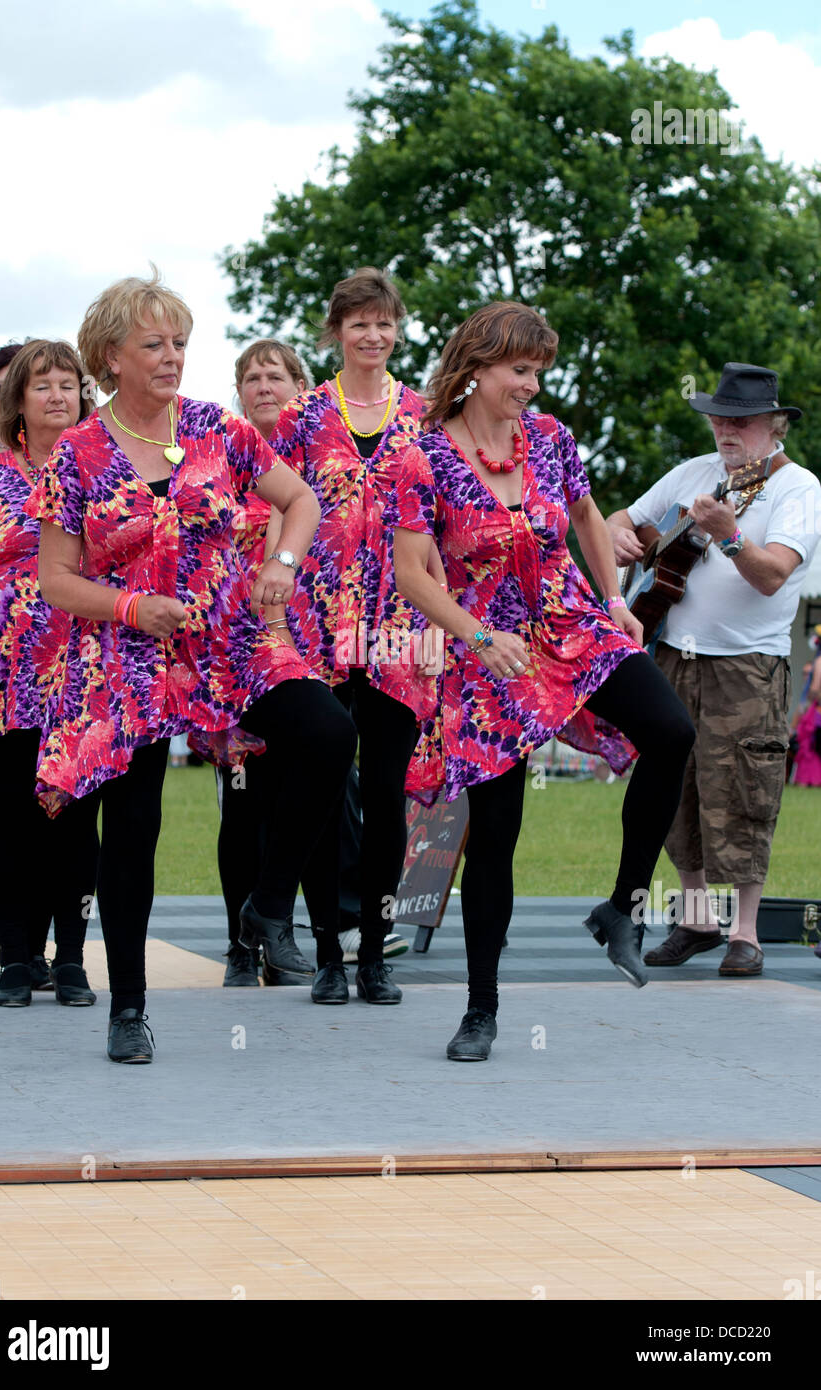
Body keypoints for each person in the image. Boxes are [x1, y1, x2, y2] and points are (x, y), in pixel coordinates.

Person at [30, 271, 356, 1063]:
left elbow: (304, 500)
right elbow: (55, 578)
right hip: (126, 651)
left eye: (179, 342)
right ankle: (129, 1010)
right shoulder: (76, 453)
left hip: (228, 639)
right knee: (134, 827)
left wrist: (281, 560)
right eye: (154, 344)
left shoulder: (220, 429)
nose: (172, 356)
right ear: (112, 356)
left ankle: (267, 906)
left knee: (326, 729)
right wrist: (135, 609)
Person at [393, 301, 696, 1060]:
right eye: (519, 371)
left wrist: (612, 602)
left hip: (572, 626)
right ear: (477, 367)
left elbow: (588, 517)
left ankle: (622, 909)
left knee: (671, 732)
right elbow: (408, 573)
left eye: (537, 372)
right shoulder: (424, 457)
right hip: (491, 652)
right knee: (494, 839)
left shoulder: (551, 439)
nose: (531, 385)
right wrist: (473, 635)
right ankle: (480, 1009)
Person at [607, 362, 821, 977]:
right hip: (675, 651)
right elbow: (621, 520)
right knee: (678, 791)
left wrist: (729, 537)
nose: (727, 430)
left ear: (774, 426)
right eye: (720, 418)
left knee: (746, 791)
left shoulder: (796, 486)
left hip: (749, 663)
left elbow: (773, 573)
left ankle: (745, 934)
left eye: (742, 421)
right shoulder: (692, 472)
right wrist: (622, 538)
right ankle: (698, 918)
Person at [269, 268, 441, 1006]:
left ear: (398, 330)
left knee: (386, 798)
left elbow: (444, 520)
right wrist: (270, 606)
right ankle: (325, 955)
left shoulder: (426, 415)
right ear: (335, 331)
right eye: (358, 323)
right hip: (317, 625)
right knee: (318, 790)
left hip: (402, 628)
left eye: (385, 323)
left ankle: (373, 953)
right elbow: (273, 512)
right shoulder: (302, 416)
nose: (373, 336)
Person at [220, 338, 408, 986]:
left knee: (334, 788)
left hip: (329, 638)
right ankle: (246, 944)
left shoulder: (324, 461)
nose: (263, 386)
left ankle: (315, 934)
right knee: (246, 801)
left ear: (300, 388)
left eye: (275, 375)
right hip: (246, 646)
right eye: (251, 376)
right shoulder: (223, 461)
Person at [0, 340, 100, 1007]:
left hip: (83, 665)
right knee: (10, 812)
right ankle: (15, 957)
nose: (55, 396)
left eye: (67, 384)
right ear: (16, 400)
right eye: (41, 385)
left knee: (73, 813)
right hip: (1, 663)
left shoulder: (104, 471)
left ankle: (70, 958)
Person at [791, 626, 821, 786]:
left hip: (817, 711)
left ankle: (809, 780)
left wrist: (808, 700)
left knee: (810, 747)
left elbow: (814, 688)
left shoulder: (819, 661)